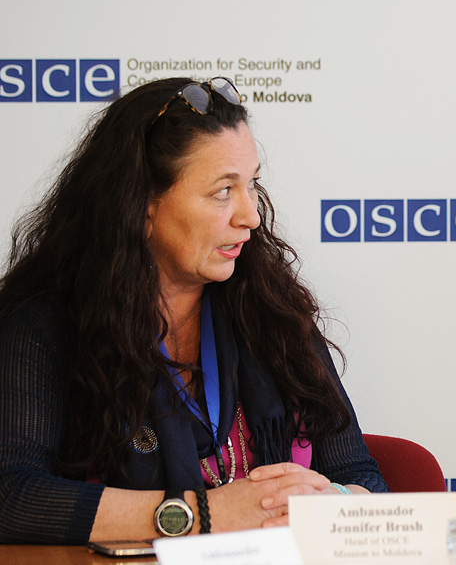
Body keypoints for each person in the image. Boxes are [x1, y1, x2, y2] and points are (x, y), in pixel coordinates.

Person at [0, 77, 388, 545]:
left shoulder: (273, 312)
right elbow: (12, 497)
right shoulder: (46, 328)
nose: (251, 216)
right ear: (141, 203)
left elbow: (360, 474)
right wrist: (203, 513)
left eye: (251, 185)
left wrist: (329, 503)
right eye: (223, 191)